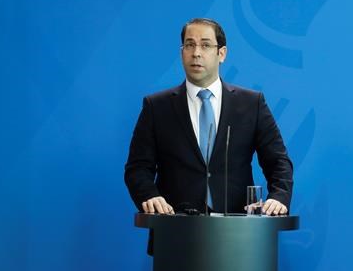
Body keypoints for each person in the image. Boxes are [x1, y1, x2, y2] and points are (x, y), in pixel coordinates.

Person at [124, 18, 293, 219]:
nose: (196, 53)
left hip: (237, 228)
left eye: (205, 45)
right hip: (175, 226)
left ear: (221, 54)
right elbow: (137, 168)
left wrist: (278, 197)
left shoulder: (251, 104)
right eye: (189, 45)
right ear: (182, 52)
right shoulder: (156, 107)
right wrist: (150, 196)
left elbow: (278, 161)